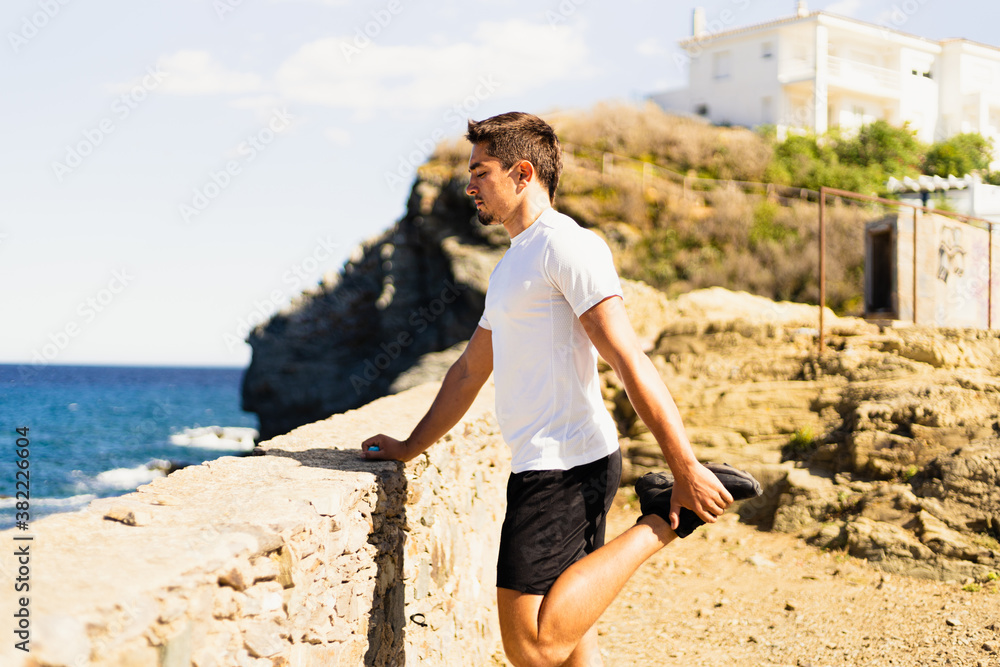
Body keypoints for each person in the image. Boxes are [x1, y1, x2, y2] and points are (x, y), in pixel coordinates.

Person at [361, 112, 761, 667]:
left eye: (481, 171)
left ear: (522, 173)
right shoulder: (512, 264)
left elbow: (626, 358)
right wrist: (409, 446)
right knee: (575, 647)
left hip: (565, 468)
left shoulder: (567, 247)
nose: (469, 183)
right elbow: (468, 372)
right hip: (555, 463)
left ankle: (663, 520)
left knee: (534, 645)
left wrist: (686, 466)